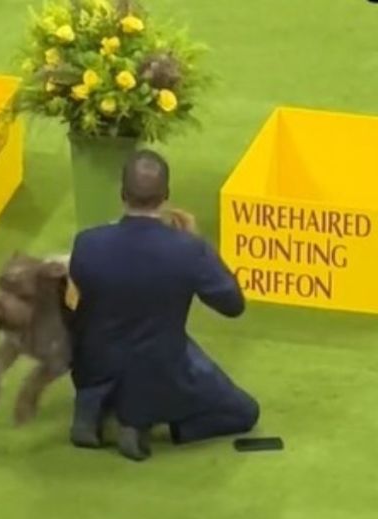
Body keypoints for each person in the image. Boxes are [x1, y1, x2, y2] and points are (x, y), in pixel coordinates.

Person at [67, 149, 259, 461]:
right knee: (244, 412)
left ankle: (95, 405)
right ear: (166, 195)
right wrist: (199, 245)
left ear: (122, 193)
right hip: (160, 368)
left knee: (116, 338)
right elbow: (232, 304)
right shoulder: (188, 249)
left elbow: (81, 294)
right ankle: (144, 423)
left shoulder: (87, 242)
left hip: (94, 364)